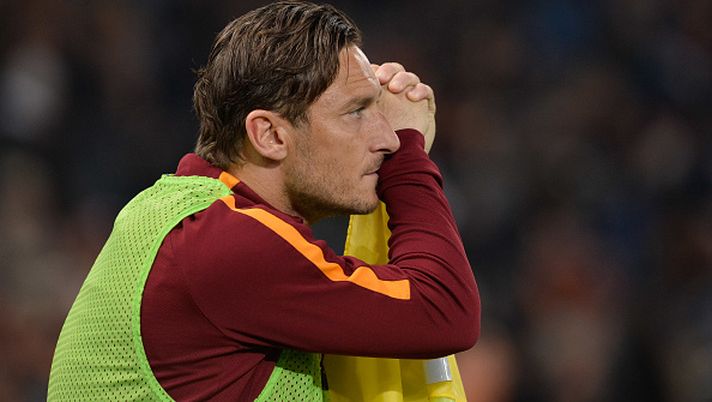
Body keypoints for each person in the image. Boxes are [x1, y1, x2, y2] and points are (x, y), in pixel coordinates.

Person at [47, 1, 480, 400]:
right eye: (356, 112)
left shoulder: (181, 213)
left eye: (378, 111)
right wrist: (409, 155)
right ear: (269, 135)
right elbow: (444, 311)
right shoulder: (226, 242)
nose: (387, 137)